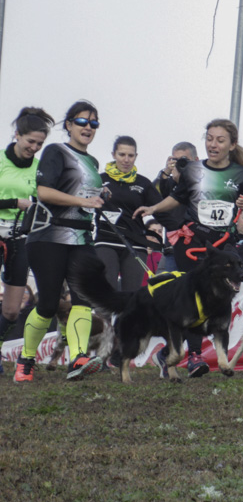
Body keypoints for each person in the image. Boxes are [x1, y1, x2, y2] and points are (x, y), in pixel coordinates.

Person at [133, 119, 243, 378]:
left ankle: (172, 353)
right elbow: (176, 198)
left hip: (222, 245)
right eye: (210, 139)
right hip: (191, 241)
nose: (213, 145)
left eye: (220, 140)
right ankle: (193, 355)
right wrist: (153, 209)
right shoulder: (192, 170)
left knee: (221, 297)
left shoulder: (242, 175)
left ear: (232, 145)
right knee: (192, 298)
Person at [15, 100, 107, 382]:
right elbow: (44, 192)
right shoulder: (56, 151)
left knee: (83, 300)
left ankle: (77, 358)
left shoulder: (92, 162)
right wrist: (84, 199)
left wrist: (101, 197)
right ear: (68, 125)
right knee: (48, 305)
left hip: (81, 237)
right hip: (48, 236)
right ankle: (26, 360)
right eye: (81, 122)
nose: (87, 128)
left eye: (93, 123)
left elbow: (86, 198)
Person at [0, 108, 53, 356]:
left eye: (40, 144)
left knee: (11, 311)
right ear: (17, 135)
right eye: (30, 141)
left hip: (20, 238)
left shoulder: (40, 168)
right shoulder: (1, 160)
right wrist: (13, 203)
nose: (34, 147)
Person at [95, 136, 162, 292]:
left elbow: (162, 208)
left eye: (130, 156)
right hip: (106, 241)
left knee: (131, 297)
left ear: (136, 156)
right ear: (113, 155)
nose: (126, 160)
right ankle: (103, 318)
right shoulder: (99, 180)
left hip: (135, 243)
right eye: (122, 155)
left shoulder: (143, 183)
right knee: (105, 293)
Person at [152, 141, 198, 272]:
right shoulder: (169, 182)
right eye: (176, 160)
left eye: (185, 160)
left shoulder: (203, 182)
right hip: (172, 249)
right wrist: (166, 172)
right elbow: (151, 196)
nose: (181, 164)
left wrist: (182, 182)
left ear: (196, 160)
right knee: (169, 289)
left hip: (196, 249)